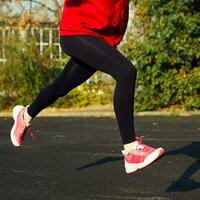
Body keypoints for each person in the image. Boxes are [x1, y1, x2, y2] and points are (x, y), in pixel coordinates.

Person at [10, 0, 165, 174]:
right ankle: (131, 149)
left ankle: (25, 115)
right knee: (126, 72)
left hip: (102, 36)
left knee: (61, 86)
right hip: (78, 31)